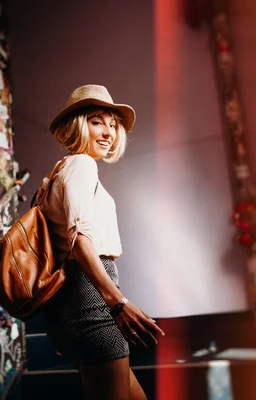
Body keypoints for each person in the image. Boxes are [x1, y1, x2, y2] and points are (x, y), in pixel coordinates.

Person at [39, 84, 165, 400]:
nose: (108, 131)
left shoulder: (59, 172)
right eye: (97, 121)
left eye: (112, 124)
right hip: (91, 300)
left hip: (81, 300)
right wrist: (118, 302)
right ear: (79, 125)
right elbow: (80, 241)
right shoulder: (81, 165)